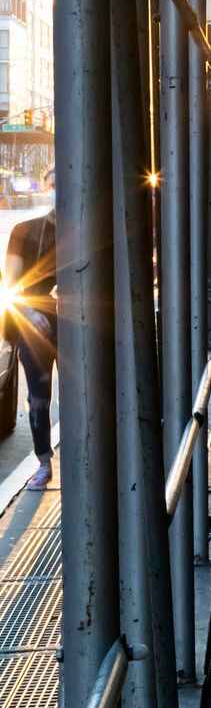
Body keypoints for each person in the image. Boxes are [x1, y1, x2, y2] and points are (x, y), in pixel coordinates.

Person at [5, 170, 57, 489]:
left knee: (90, 392)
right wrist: (27, 311)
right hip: (36, 324)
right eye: (54, 185)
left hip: (72, 320)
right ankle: (43, 461)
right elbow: (10, 284)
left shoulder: (84, 232)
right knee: (39, 397)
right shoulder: (24, 230)